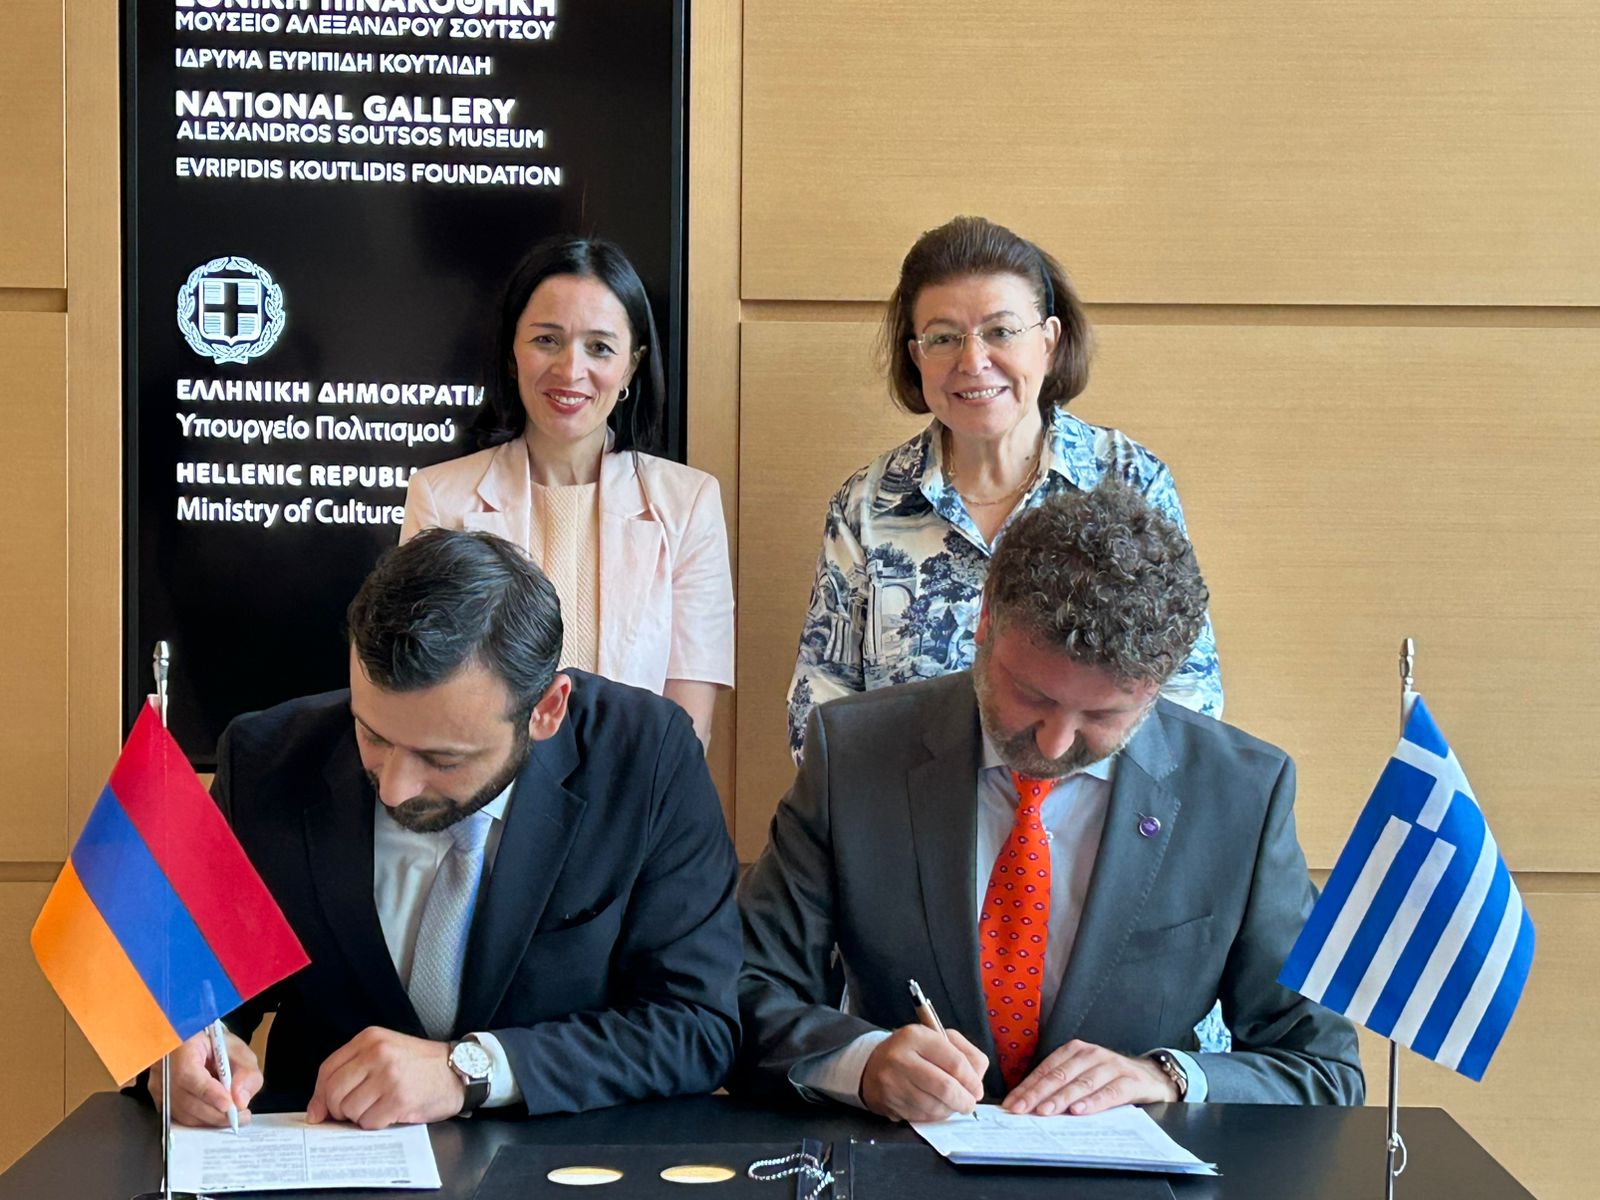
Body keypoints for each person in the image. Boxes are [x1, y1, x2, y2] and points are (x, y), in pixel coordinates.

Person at [738, 484, 1362, 1120]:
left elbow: (1323, 1067)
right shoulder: (855, 753)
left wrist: (1166, 1077)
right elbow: (746, 989)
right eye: (1032, 695)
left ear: (1155, 689)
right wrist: (863, 1064)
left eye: (1103, 715)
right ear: (986, 621)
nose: (1054, 743)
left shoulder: (1240, 795)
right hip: (901, 1153)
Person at [156, 528, 741, 1128]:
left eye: (442, 759)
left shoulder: (646, 759)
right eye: (372, 735)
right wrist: (181, 1048)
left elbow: (697, 1025)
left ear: (547, 709)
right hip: (324, 1149)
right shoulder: (266, 761)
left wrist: (473, 1069)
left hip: (556, 1159)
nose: (394, 789)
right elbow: (193, 995)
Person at [787, 215, 1223, 764]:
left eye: (1001, 331)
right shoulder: (866, 506)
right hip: (908, 809)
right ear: (917, 356)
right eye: (943, 338)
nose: (973, 361)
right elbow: (818, 710)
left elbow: (1189, 690)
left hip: (1090, 806)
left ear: (1049, 341)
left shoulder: (1129, 479)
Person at [402, 237, 732, 748]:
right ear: (513, 353)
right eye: (547, 340)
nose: (570, 370)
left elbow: (685, 732)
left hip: (634, 790)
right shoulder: (440, 498)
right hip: (487, 792)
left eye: (599, 347)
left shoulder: (689, 504)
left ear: (632, 365)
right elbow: (427, 694)